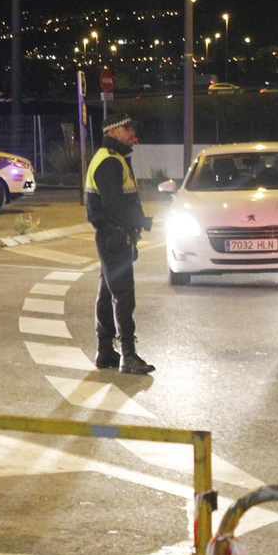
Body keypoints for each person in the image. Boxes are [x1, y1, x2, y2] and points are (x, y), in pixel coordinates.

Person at [85, 118, 154, 375]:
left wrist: (138, 223)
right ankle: (128, 355)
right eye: (128, 129)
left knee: (107, 291)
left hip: (111, 235)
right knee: (124, 296)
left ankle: (105, 352)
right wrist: (138, 222)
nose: (133, 134)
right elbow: (115, 204)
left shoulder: (112, 157)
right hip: (114, 235)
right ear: (113, 131)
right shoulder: (109, 160)